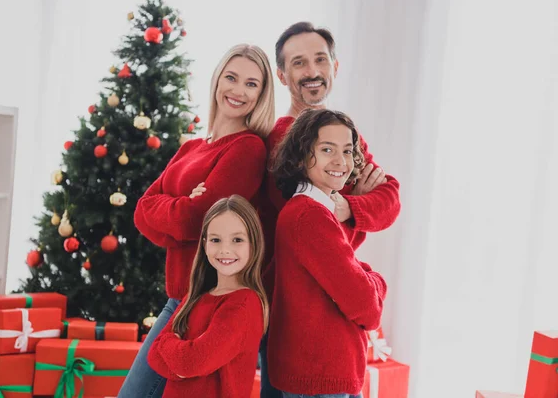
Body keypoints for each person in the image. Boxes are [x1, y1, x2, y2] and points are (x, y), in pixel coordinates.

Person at [118, 43, 275, 398]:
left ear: (262, 94)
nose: (238, 90)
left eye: (252, 84)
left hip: (206, 299)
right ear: (217, 79)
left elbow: (194, 223)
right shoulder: (192, 148)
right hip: (178, 298)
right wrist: (180, 209)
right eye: (231, 77)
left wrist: (175, 212)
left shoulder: (247, 148)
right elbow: (141, 212)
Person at [258, 22, 401, 398]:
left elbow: (390, 198)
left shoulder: (338, 134)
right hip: (297, 318)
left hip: (332, 302)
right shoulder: (283, 139)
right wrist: (370, 275)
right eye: (300, 62)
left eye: (321, 59)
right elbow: (311, 226)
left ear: (335, 67)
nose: (312, 71)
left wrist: (346, 206)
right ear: (283, 75)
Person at [268, 108, 387, 398]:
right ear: (300, 157)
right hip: (321, 378)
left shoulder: (312, 210)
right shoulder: (309, 216)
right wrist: (377, 279)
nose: (341, 161)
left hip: (319, 375)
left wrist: (362, 275)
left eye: (347, 151)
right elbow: (367, 309)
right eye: (326, 149)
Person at [147, 195, 269, 398]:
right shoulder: (194, 297)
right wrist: (184, 358)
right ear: (204, 244)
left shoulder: (244, 304)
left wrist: (168, 344)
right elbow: (153, 356)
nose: (225, 250)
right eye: (215, 240)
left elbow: (193, 362)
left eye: (237, 240)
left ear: (253, 244)